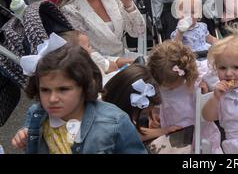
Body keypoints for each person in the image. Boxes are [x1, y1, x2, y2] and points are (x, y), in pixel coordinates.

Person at [11, 42, 147, 154]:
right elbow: (29, 131)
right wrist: (23, 134)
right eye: (45, 90)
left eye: (63, 89)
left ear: (85, 86)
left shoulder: (114, 122)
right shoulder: (37, 114)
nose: (52, 99)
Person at [147, 41, 222, 154]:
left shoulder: (195, 82)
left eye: (171, 87)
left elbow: (217, 75)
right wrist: (151, 116)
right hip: (174, 133)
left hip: (200, 131)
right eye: (165, 86)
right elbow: (152, 102)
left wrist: (205, 93)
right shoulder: (157, 83)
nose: (168, 89)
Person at [102, 64, 182, 152]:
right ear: (128, 105)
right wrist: (163, 131)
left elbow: (132, 132)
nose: (147, 116)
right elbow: (129, 134)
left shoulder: (112, 109)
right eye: (143, 113)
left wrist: (164, 130)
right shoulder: (107, 125)